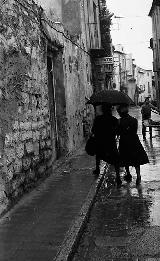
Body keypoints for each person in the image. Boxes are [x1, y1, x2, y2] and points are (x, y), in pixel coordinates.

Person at [117, 104, 149, 186]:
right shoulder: (134, 120)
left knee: (125, 158)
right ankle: (138, 175)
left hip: (124, 142)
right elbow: (134, 131)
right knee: (136, 159)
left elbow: (118, 133)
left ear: (120, 113)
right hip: (134, 141)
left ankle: (128, 173)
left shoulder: (119, 121)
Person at [91, 104, 121, 186]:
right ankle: (118, 177)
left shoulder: (98, 119)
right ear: (110, 110)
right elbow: (118, 132)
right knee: (116, 159)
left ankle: (97, 169)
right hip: (111, 142)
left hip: (100, 141)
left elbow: (93, 130)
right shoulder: (114, 120)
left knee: (98, 155)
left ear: (103, 110)